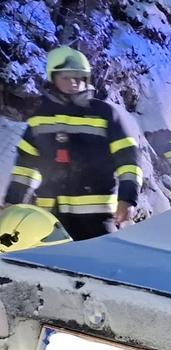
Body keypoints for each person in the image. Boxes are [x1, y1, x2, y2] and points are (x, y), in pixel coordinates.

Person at [3, 46, 141, 240]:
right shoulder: (40, 118)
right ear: (53, 78)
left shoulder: (106, 114)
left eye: (79, 77)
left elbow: (129, 162)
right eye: (66, 77)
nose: (73, 82)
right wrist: (13, 202)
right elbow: (25, 168)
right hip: (49, 217)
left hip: (97, 218)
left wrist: (128, 199)